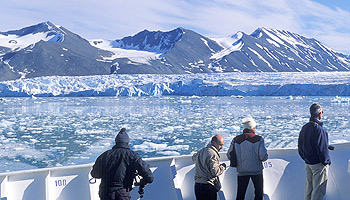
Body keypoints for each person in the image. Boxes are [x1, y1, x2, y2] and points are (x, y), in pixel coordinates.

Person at [91, 128, 154, 200]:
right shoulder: (133, 156)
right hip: (122, 193)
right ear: (128, 143)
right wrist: (142, 183)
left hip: (106, 193)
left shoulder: (105, 155)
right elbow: (149, 177)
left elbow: (95, 174)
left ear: (116, 142)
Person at [227, 115, 268, 200]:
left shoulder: (236, 140)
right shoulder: (258, 139)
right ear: (253, 127)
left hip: (242, 171)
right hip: (256, 171)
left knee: (240, 194)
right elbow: (263, 156)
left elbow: (229, 154)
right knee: (258, 193)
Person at [298, 103, 331, 200]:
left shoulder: (305, 128)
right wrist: (326, 162)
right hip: (318, 165)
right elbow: (322, 149)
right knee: (318, 192)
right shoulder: (319, 130)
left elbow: (300, 146)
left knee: (309, 190)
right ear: (319, 114)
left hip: (308, 163)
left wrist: (306, 158)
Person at [192, 134, 227, 200]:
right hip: (208, 186)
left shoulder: (201, 151)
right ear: (213, 143)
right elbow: (215, 172)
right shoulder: (213, 154)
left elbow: (194, 158)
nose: (221, 147)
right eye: (220, 145)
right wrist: (222, 167)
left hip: (198, 185)